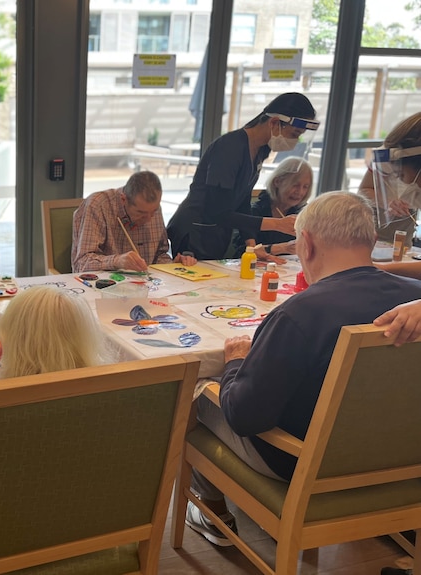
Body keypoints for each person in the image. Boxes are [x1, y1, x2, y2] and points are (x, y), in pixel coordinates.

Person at [182, 192, 421, 547]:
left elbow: (244, 417)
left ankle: (206, 506)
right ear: (371, 240)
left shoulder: (300, 314)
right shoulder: (414, 301)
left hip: (298, 463)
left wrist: (234, 363)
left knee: (201, 387)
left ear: (305, 244)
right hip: (401, 459)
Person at [0, 285, 115, 495]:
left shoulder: (4, 411)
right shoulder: (112, 398)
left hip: (5, 521)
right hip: (85, 515)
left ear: (15, 346)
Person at [167, 92, 318, 260]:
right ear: (275, 123)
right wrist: (276, 224)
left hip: (216, 232)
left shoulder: (261, 149)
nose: (295, 141)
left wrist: (252, 246)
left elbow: (242, 200)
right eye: (294, 134)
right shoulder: (230, 149)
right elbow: (216, 210)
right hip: (195, 230)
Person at [72, 170, 197, 272]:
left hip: (146, 287)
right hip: (103, 287)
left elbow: (160, 255)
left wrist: (172, 265)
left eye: (154, 211)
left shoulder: (151, 210)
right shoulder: (98, 205)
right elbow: (81, 264)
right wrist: (117, 261)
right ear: (123, 200)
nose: (148, 219)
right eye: (141, 213)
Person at [232, 157, 313, 261]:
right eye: (295, 185)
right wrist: (280, 248)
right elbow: (241, 252)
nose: (300, 192)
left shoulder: (303, 214)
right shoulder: (255, 212)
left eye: (305, 187)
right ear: (277, 182)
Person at [358, 112, 421, 242]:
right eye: (397, 175)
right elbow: (365, 189)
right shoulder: (389, 154)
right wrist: (388, 201)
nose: (402, 180)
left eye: (402, 175)